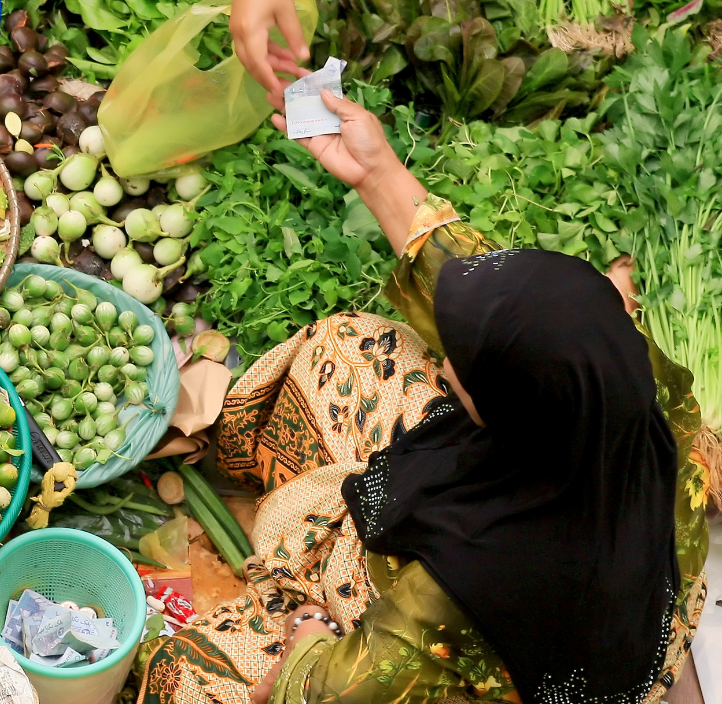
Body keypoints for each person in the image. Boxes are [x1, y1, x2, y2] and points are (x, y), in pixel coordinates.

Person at [134, 3, 722, 703]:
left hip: (500, 665)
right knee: (349, 349)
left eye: (464, 377)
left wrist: (309, 637)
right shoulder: (626, 380)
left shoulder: (459, 592)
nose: (443, 367)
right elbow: (471, 282)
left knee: (183, 678)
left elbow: (330, 693)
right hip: (584, 583)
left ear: (511, 421)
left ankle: (307, 599)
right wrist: (375, 170)